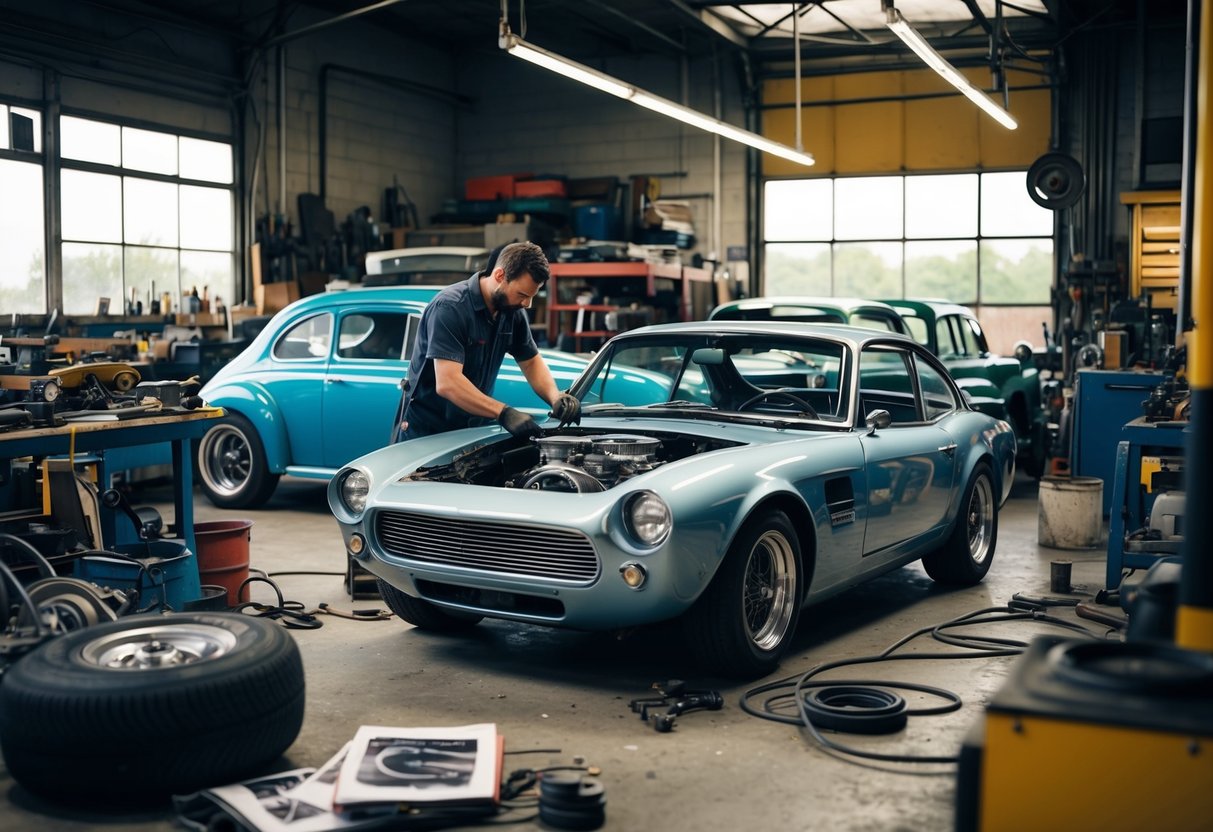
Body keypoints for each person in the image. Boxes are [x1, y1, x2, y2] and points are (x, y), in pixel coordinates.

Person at [391, 240, 580, 442]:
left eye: (532, 297)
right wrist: (503, 412)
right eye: (522, 295)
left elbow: (531, 361)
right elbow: (448, 383)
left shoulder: (511, 311)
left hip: (471, 428)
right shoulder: (450, 308)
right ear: (500, 276)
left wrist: (555, 397)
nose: (526, 304)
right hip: (427, 433)